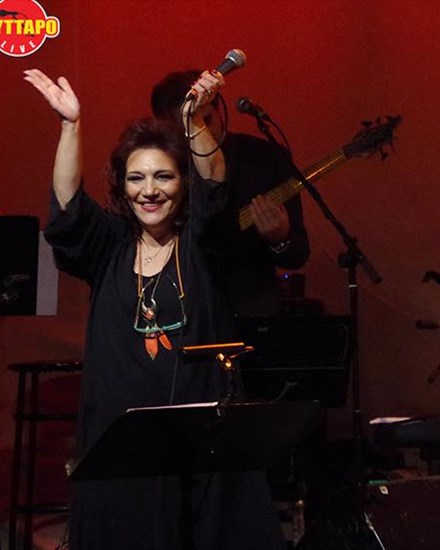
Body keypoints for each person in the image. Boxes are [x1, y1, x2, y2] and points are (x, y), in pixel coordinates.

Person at [25, 68, 285, 549]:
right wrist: (70, 126)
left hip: (204, 440)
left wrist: (193, 120)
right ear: (122, 187)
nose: (150, 190)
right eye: (136, 178)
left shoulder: (202, 243)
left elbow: (216, 183)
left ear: (182, 184)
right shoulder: (109, 244)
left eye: (164, 176)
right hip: (121, 443)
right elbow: (67, 210)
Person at [151, 70, 310, 317]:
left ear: (218, 110)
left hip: (251, 307)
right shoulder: (160, 170)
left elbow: (297, 254)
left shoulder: (265, 157)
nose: (202, 132)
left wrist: (280, 237)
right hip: (185, 307)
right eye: (189, 126)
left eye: (207, 120)